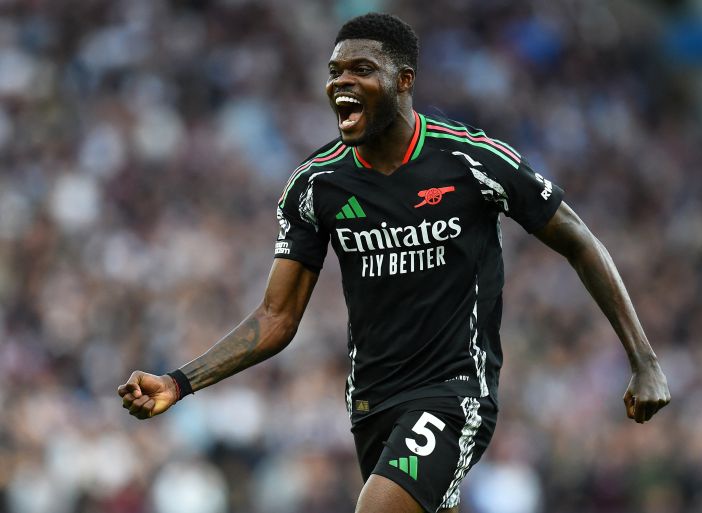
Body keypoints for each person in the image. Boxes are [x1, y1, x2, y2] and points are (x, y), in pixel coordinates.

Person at [118, 12, 671, 513]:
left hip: (455, 392)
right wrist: (178, 382)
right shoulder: (316, 185)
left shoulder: (470, 159)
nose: (341, 83)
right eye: (335, 71)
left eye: (361, 69)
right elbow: (277, 317)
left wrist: (643, 359)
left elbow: (577, 238)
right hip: (371, 404)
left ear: (404, 81)